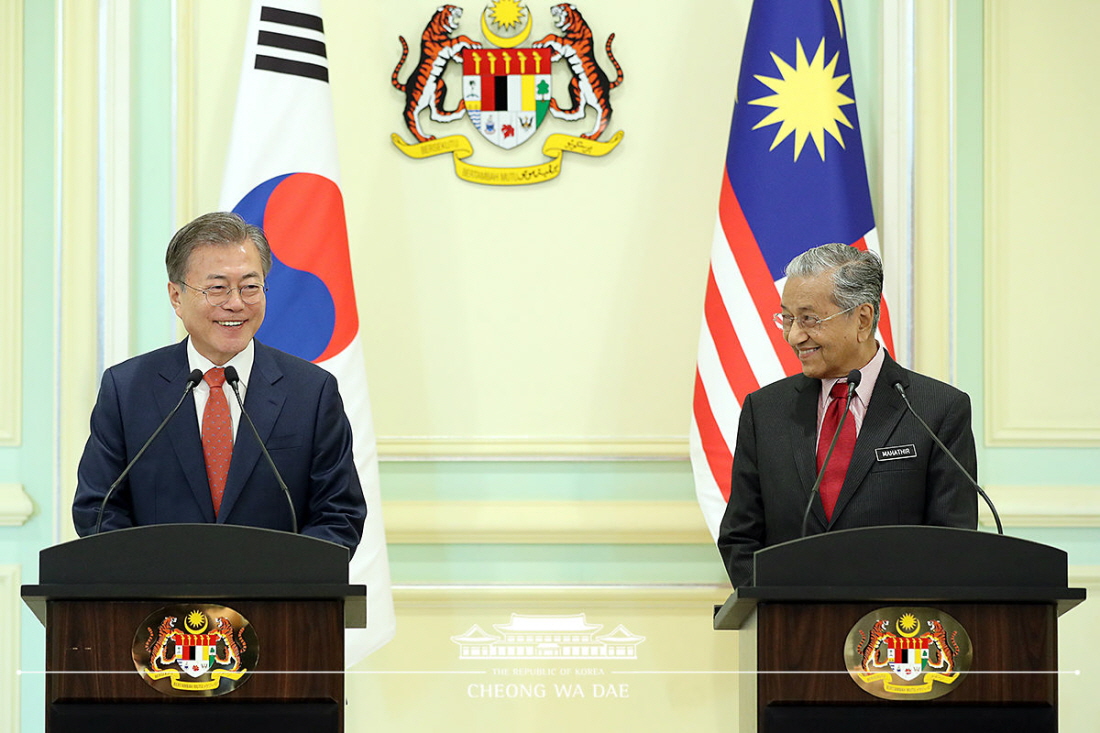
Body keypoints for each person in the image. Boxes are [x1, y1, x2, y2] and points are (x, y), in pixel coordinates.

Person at [72, 212, 366, 554]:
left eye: (250, 287)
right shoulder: (127, 390)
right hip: (158, 601)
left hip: (275, 600)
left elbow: (339, 515)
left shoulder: (312, 392)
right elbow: (98, 510)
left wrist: (279, 583)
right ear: (176, 297)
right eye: (217, 288)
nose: (236, 303)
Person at [717, 243, 977, 587]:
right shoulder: (765, 411)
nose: (795, 335)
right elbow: (740, 539)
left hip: (896, 629)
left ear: (863, 318)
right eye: (788, 318)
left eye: (809, 319)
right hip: (791, 630)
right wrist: (781, 609)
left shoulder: (936, 409)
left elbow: (952, 543)